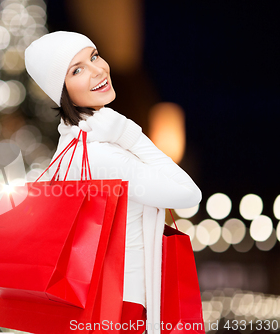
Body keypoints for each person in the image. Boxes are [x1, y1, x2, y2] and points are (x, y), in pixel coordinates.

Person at [25, 31, 202, 334]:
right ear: (61, 89)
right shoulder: (101, 154)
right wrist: (129, 133)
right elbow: (189, 193)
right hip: (123, 308)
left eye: (93, 56)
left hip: (90, 306)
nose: (97, 70)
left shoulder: (68, 148)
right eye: (76, 69)